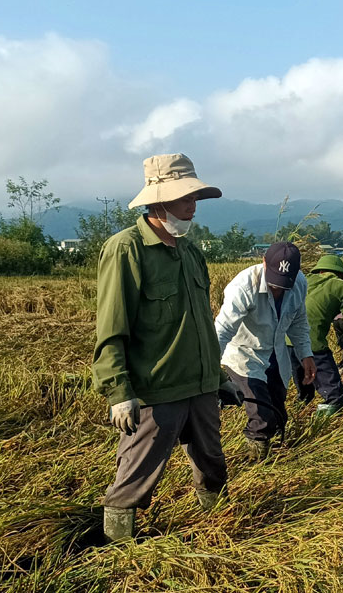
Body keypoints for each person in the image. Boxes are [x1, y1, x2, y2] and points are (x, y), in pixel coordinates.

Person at [93, 153, 243, 542]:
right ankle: (116, 549)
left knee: (213, 465)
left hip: (201, 386)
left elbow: (201, 324)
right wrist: (119, 392)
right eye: (185, 199)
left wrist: (217, 376)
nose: (192, 207)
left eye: (194, 198)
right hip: (157, 388)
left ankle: (217, 528)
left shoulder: (191, 252)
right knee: (136, 476)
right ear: (157, 202)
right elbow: (112, 328)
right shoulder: (126, 249)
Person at [215, 242, 315, 461]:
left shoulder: (299, 283)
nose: (277, 289)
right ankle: (257, 461)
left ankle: (278, 457)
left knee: (279, 413)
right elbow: (222, 330)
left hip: (276, 355)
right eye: (274, 283)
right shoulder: (243, 286)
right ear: (263, 262)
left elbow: (298, 322)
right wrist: (212, 369)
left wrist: (306, 354)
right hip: (244, 355)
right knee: (262, 415)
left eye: (283, 285)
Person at [293, 254, 343, 416]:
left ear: (319, 270)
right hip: (312, 343)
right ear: (340, 274)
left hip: (285, 341)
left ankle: (297, 418)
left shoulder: (302, 280)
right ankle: (320, 429)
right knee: (335, 395)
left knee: (305, 389)